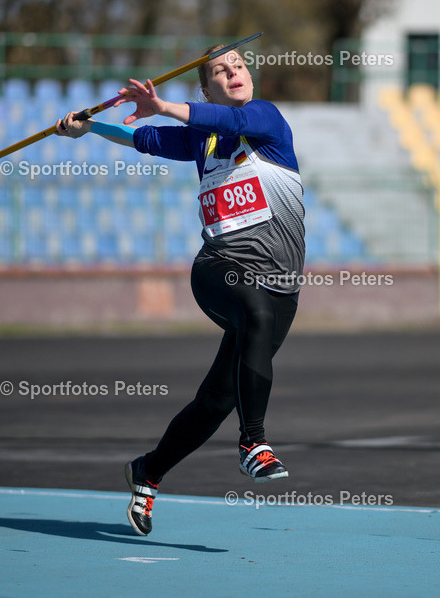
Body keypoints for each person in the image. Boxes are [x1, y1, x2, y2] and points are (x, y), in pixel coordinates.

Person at [55, 45, 305, 536]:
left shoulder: (267, 120)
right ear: (205, 88)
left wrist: (167, 107)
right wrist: (91, 127)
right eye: (219, 70)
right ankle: (253, 444)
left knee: (215, 400)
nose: (233, 72)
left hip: (281, 286)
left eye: (238, 65)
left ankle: (147, 471)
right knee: (252, 315)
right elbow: (144, 137)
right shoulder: (201, 141)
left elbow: (223, 121)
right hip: (220, 268)